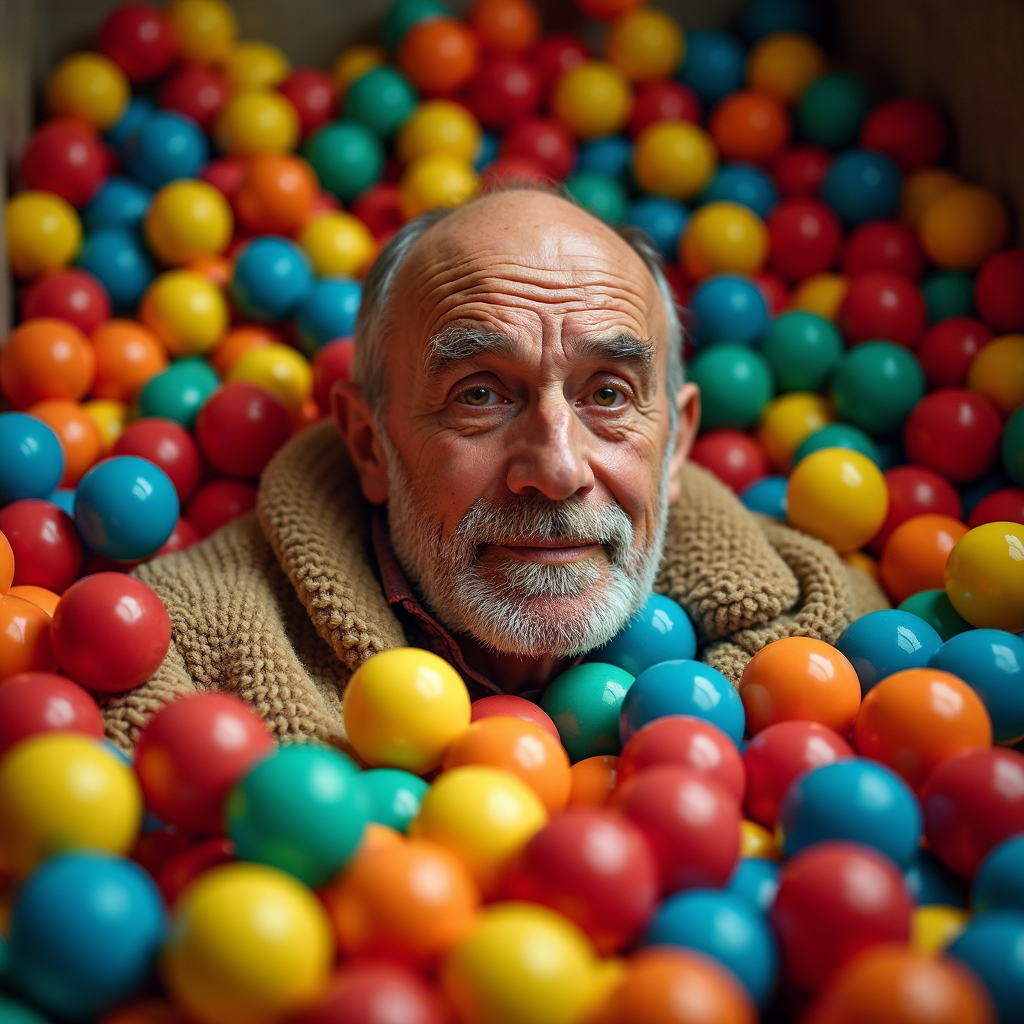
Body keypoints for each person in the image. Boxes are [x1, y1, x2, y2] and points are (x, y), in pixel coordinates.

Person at [102, 189, 886, 750]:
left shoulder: (840, 637)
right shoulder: (167, 654)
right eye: (479, 394)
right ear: (372, 444)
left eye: (608, 394)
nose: (555, 468)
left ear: (675, 444)